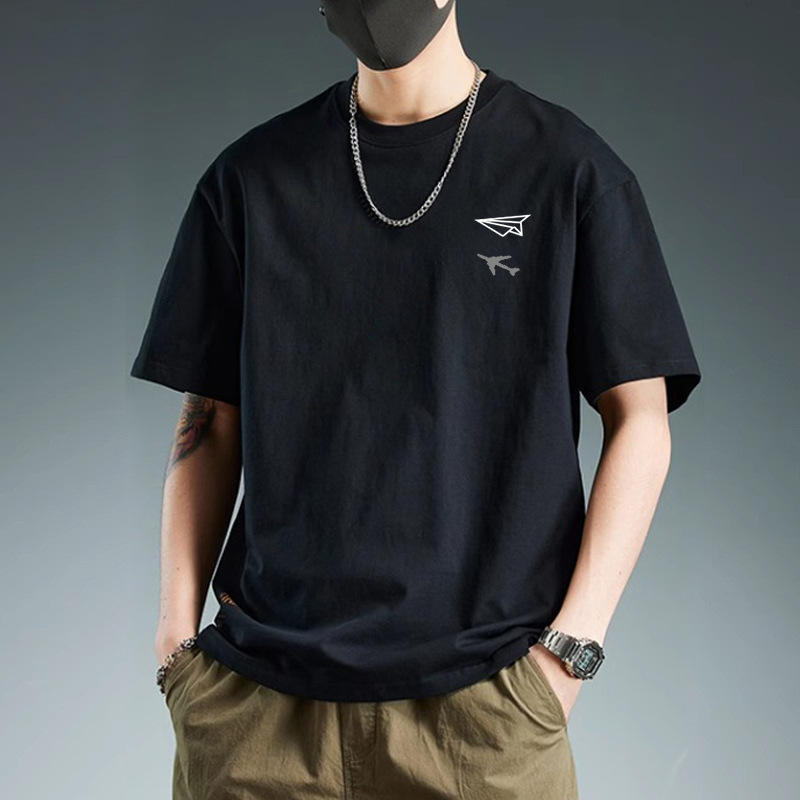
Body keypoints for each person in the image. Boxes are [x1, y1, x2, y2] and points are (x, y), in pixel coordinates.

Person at [130, 1, 702, 798]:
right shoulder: (250, 180)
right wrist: (174, 642)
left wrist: (569, 653)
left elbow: (640, 419)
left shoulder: (567, 170)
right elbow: (210, 421)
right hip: (259, 717)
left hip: (485, 720)